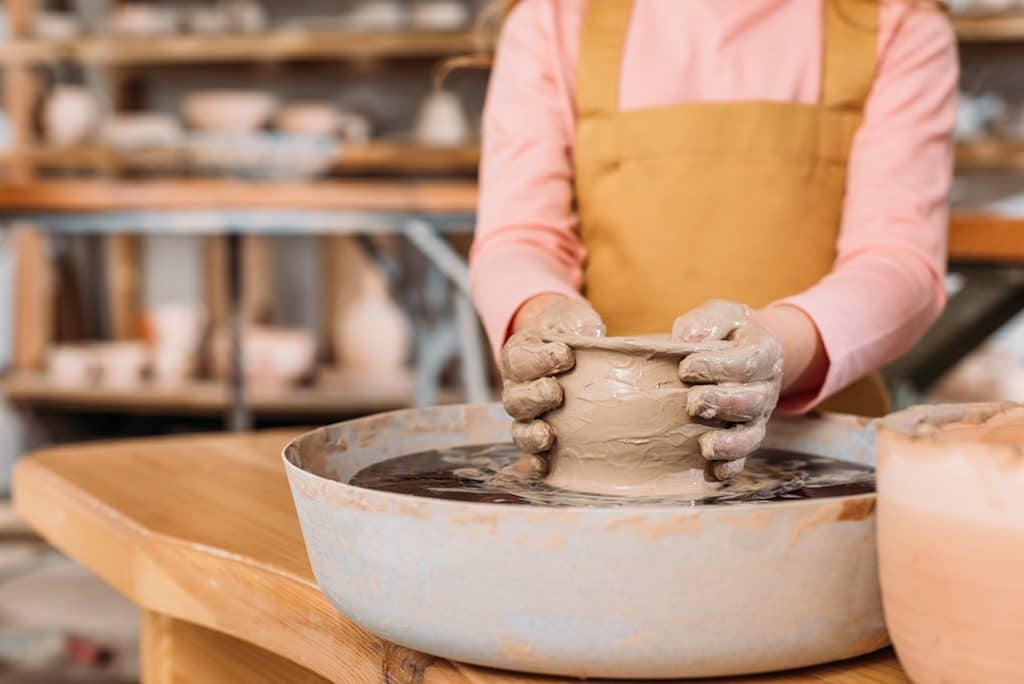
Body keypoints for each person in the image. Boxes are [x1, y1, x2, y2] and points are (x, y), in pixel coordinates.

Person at [469, 0, 957, 478]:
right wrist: (534, 312)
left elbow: (900, 260)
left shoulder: (895, 22)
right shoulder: (555, 18)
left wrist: (779, 351)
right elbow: (521, 236)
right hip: (598, 464)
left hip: (818, 461)